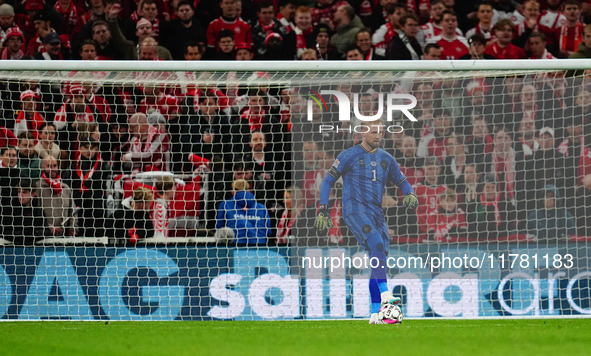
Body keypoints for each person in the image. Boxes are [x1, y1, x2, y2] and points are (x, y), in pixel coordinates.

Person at [315, 119, 419, 324]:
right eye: (373, 132)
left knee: (378, 257)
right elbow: (328, 180)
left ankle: (374, 313)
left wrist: (410, 193)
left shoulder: (386, 158)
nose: (378, 135)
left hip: (376, 214)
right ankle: (386, 295)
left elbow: (402, 180)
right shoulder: (348, 155)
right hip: (354, 210)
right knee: (377, 244)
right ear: (362, 132)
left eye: (380, 132)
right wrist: (324, 209)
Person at [216, 178, 272, 245]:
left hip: (235, 248)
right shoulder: (261, 208)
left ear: (233, 192)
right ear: (250, 191)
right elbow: (268, 232)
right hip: (260, 248)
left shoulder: (225, 205)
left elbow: (219, 229)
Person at [36, 155, 77, 237]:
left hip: (65, 237)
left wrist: (73, 228)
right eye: (49, 166)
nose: (53, 169)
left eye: (55, 166)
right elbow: (36, 211)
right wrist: (49, 227)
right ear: (42, 167)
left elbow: (73, 211)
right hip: (44, 236)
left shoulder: (65, 188)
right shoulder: (38, 187)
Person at [0, 178, 47, 245]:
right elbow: (3, 231)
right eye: (19, 192)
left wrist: (32, 233)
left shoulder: (38, 212)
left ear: (33, 194)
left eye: (24, 192)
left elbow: (46, 231)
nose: (20, 195)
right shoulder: (9, 211)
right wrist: (22, 234)